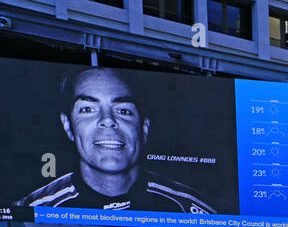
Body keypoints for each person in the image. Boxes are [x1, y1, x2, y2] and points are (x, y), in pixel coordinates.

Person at [18, 67, 216, 213]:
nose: (108, 121)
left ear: (143, 128)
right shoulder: (34, 208)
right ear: (67, 125)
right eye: (88, 109)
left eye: (123, 111)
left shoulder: (188, 206)